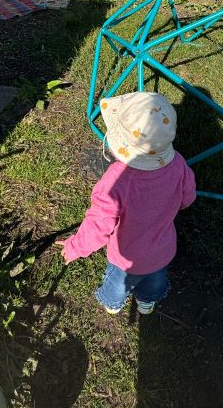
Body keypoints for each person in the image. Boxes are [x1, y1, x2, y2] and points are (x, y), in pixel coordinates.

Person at [58, 91, 196, 315]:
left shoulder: (116, 181)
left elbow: (99, 224)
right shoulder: (177, 163)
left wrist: (75, 247)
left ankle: (112, 304)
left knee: (118, 285)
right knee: (155, 280)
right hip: (162, 248)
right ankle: (147, 302)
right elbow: (187, 197)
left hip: (126, 255)